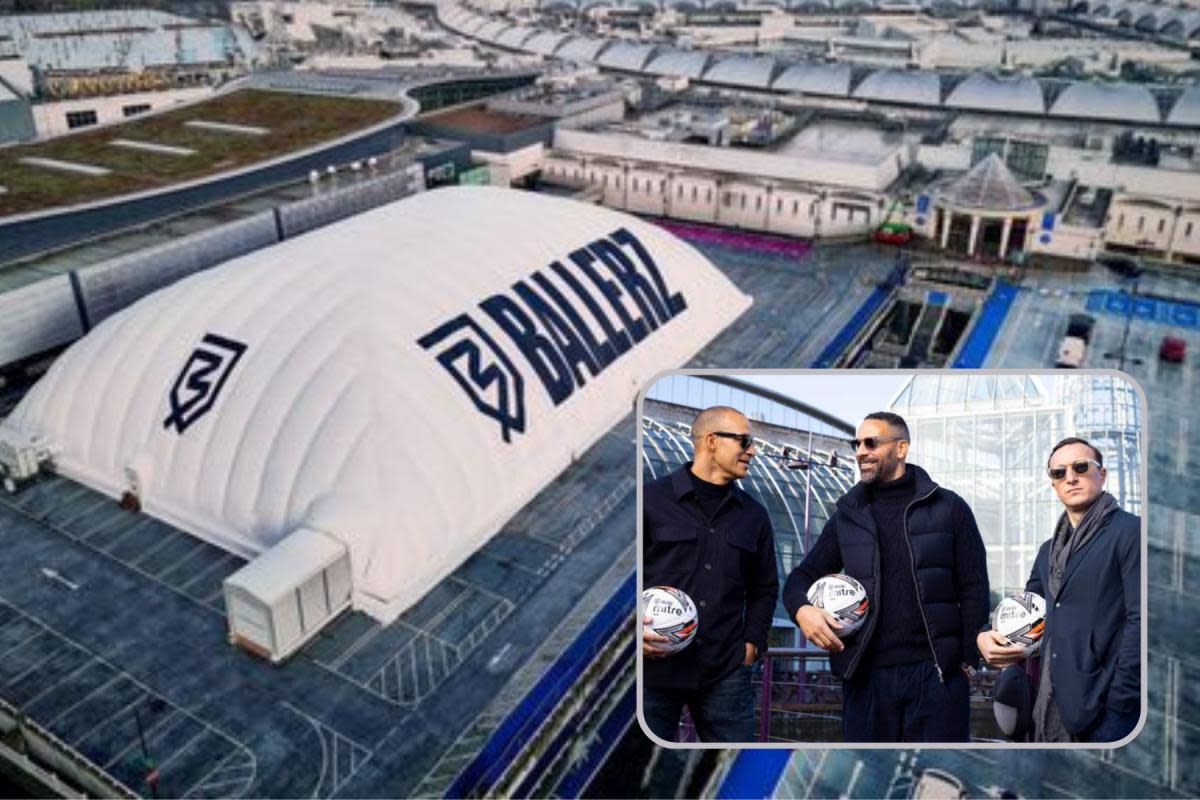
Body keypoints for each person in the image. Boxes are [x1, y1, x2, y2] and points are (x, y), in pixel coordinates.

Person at [783, 411, 989, 742]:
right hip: (865, 679)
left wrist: (965, 661)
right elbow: (802, 576)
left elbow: (975, 586)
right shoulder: (847, 517)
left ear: (901, 447)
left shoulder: (950, 507)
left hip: (936, 678)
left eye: (871, 442)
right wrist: (801, 610)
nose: (860, 451)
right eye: (856, 443)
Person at [977, 437, 1141, 743]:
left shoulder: (1130, 532)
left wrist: (1121, 703)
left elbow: (1142, 620)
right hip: (1051, 706)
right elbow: (1024, 608)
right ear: (1053, 484)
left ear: (1101, 475)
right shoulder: (1047, 551)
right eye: (1058, 472)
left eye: (1081, 467)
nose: (1070, 477)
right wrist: (987, 633)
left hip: (1108, 709)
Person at [641, 405, 779, 743]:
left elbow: (764, 588)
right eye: (745, 441)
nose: (753, 451)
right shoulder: (649, 501)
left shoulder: (754, 516)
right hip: (652, 672)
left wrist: (751, 645)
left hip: (725, 671)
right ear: (712, 441)